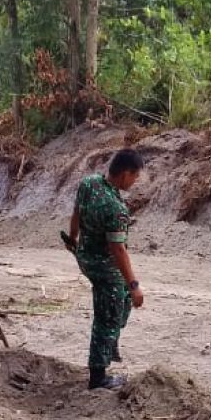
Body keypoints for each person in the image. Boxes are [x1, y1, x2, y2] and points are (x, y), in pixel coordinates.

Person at [68, 149, 146, 390]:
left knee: (119, 301)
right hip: (103, 265)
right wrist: (134, 286)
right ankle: (98, 377)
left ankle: (110, 340)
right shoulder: (115, 208)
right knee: (108, 315)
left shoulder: (89, 183)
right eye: (135, 176)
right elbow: (118, 250)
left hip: (86, 257)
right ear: (124, 174)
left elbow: (77, 213)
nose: (136, 181)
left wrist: (72, 239)